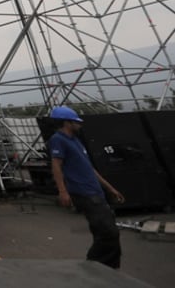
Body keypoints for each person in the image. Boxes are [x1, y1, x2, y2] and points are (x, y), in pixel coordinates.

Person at [48, 105, 125, 269]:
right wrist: (62, 192)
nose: (80, 124)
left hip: (95, 191)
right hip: (84, 193)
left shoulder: (75, 140)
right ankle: (92, 267)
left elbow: (89, 167)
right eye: (76, 122)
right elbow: (56, 166)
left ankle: (108, 269)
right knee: (109, 232)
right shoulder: (58, 140)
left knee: (103, 232)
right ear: (67, 123)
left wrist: (110, 188)